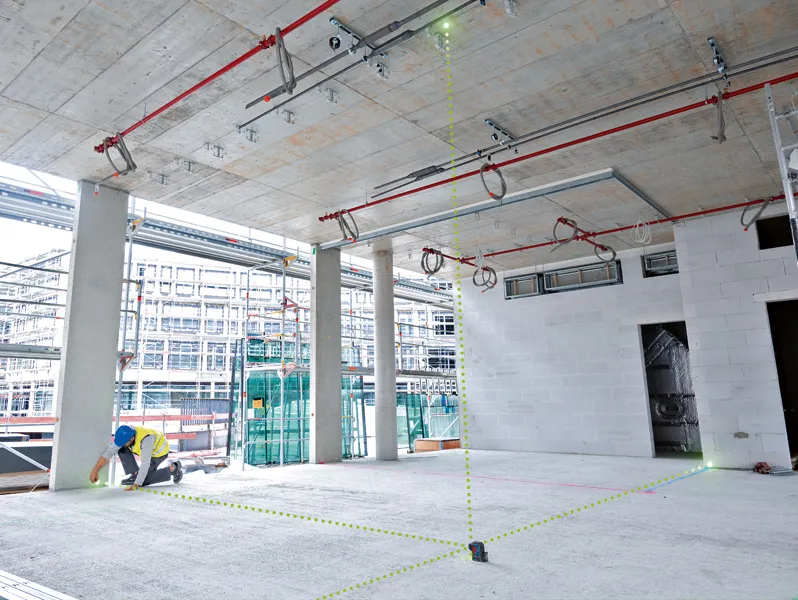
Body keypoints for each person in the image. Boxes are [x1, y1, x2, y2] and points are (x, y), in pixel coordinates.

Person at [89, 425, 183, 491]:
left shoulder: (146, 439)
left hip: (158, 454)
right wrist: (95, 471)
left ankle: (173, 468)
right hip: (147, 449)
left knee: (144, 480)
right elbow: (109, 452)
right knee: (122, 448)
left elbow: (145, 463)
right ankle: (135, 474)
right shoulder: (127, 433)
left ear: (132, 439)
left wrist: (136, 484)